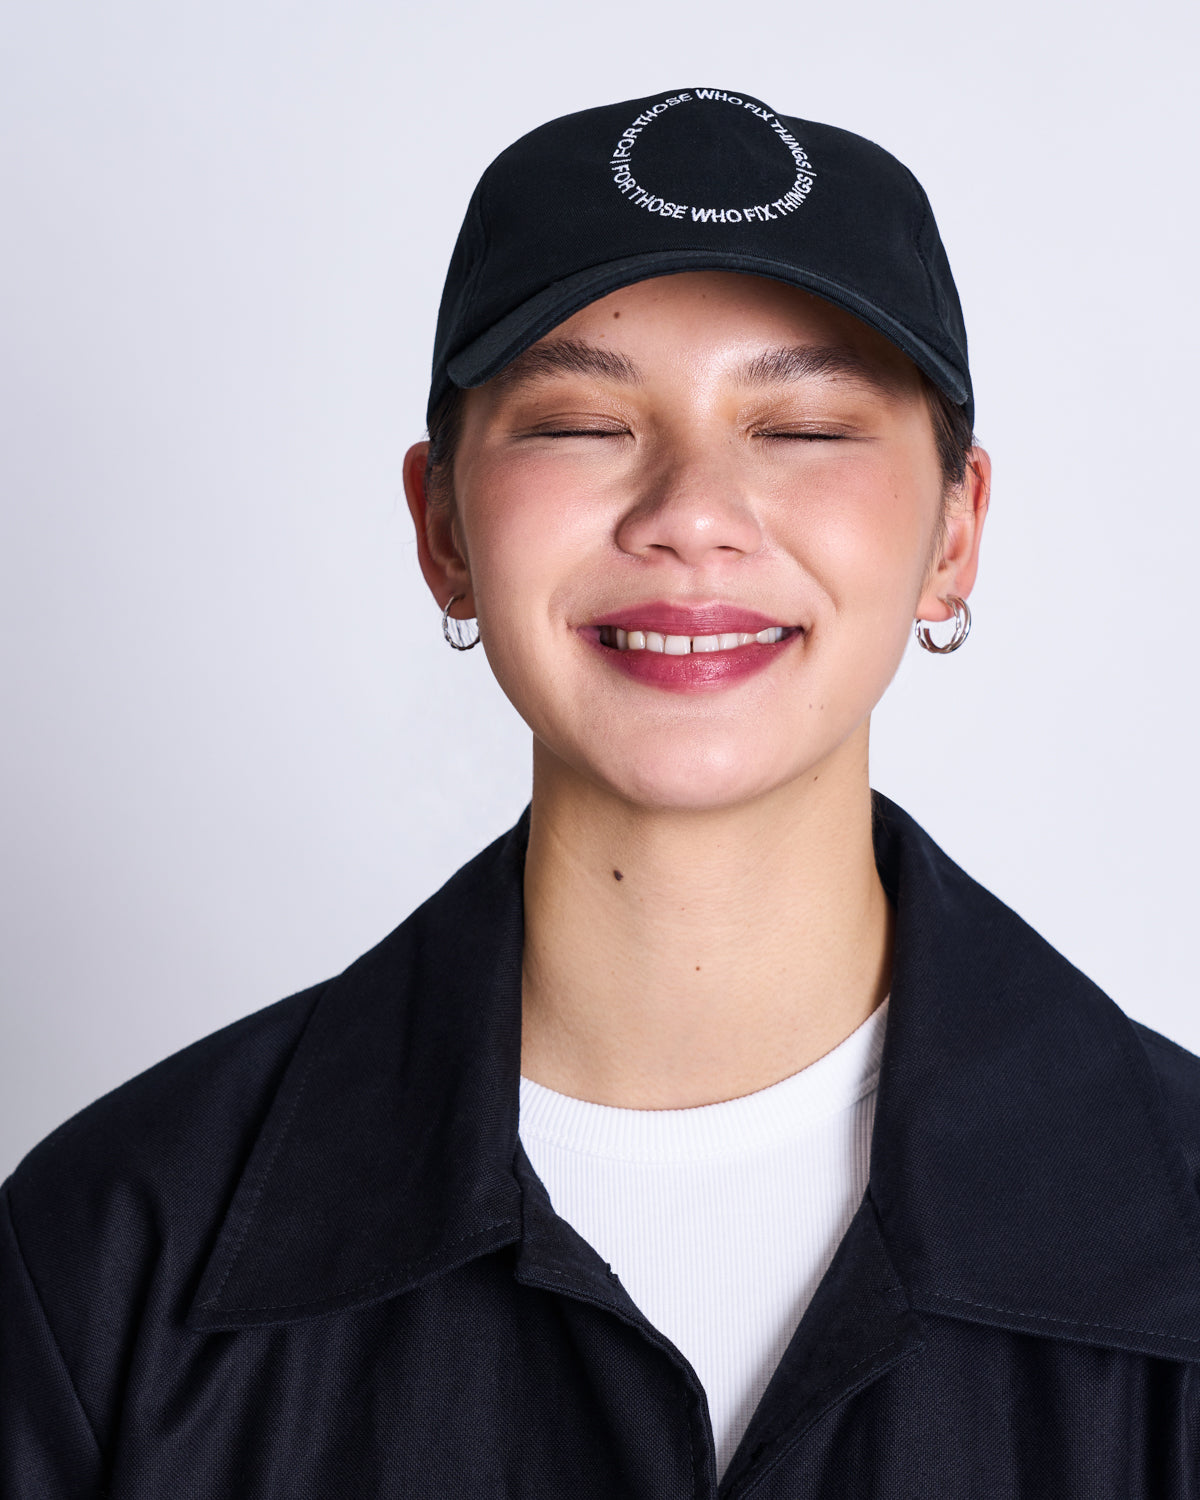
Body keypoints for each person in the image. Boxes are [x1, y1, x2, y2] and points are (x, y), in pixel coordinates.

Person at [3, 86, 1199, 1498]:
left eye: (805, 427)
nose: (691, 510)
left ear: (957, 532)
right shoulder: (108, 1264)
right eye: (578, 423)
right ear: (442, 526)